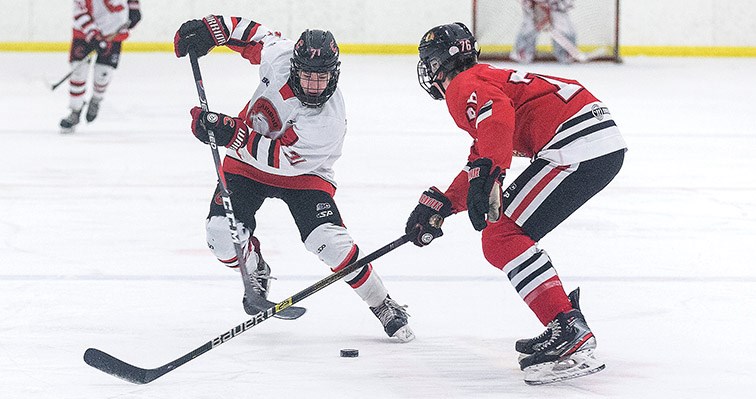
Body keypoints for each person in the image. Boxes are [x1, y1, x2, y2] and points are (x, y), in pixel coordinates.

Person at [173, 15, 414, 342]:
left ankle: (382, 303)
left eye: (323, 77)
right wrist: (212, 30)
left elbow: (281, 161)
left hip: (304, 175)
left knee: (330, 244)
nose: (315, 85)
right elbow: (252, 33)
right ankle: (255, 265)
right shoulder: (280, 55)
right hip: (245, 164)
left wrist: (228, 132)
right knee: (220, 237)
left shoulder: (328, 120)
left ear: (334, 73)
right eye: (307, 76)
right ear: (294, 65)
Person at [409, 22, 626, 384]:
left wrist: (490, 173)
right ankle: (562, 317)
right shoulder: (484, 75)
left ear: (436, 65)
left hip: (574, 144)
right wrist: (444, 204)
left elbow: (497, 116)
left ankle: (567, 325)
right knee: (505, 233)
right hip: (593, 139)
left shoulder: (461, 86)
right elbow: (485, 147)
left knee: (501, 236)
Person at [59, 0, 141, 134]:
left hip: (113, 29)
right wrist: (93, 35)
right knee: (78, 72)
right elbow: (79, 10)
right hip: (83, 33)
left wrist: (134, 7)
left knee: (103, 73)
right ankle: (75, 111)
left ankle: (96, 100)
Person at [510, 0, 577, 63]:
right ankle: (522, 54)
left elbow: (567, 4)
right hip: (534, 7)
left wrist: (555, 6)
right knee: (528, 30)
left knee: (565, 30)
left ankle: (566, 55)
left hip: (556, 7)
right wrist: (534, 6)